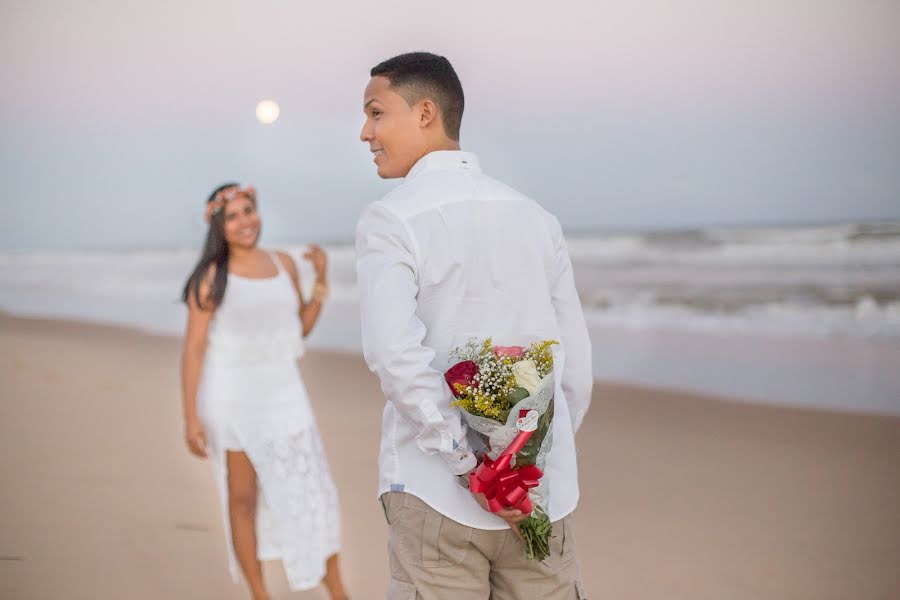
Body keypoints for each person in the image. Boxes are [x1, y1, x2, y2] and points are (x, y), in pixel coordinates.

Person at [356, 52, 592, 599]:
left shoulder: (392, 219)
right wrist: (525, 464)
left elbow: (395, 356)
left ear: (425, 112)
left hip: (437, 494)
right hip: (540, 502)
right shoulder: (536, 218)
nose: (365, 132)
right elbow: (572, 363)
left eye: (375, 113)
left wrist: (472, 467)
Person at [180, 183, 348, 600]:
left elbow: (300, 330)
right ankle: (259, 593)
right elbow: (194, 349)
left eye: (248, 211)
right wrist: (190, 417)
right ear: (219, 225)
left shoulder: (284, 264)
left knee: (311, 490)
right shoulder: (211, 278)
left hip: (285, 392)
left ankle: (337, 588)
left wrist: (322, 280)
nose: (244, 222)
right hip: (233, 398)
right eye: (232, 216)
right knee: (242, 499)